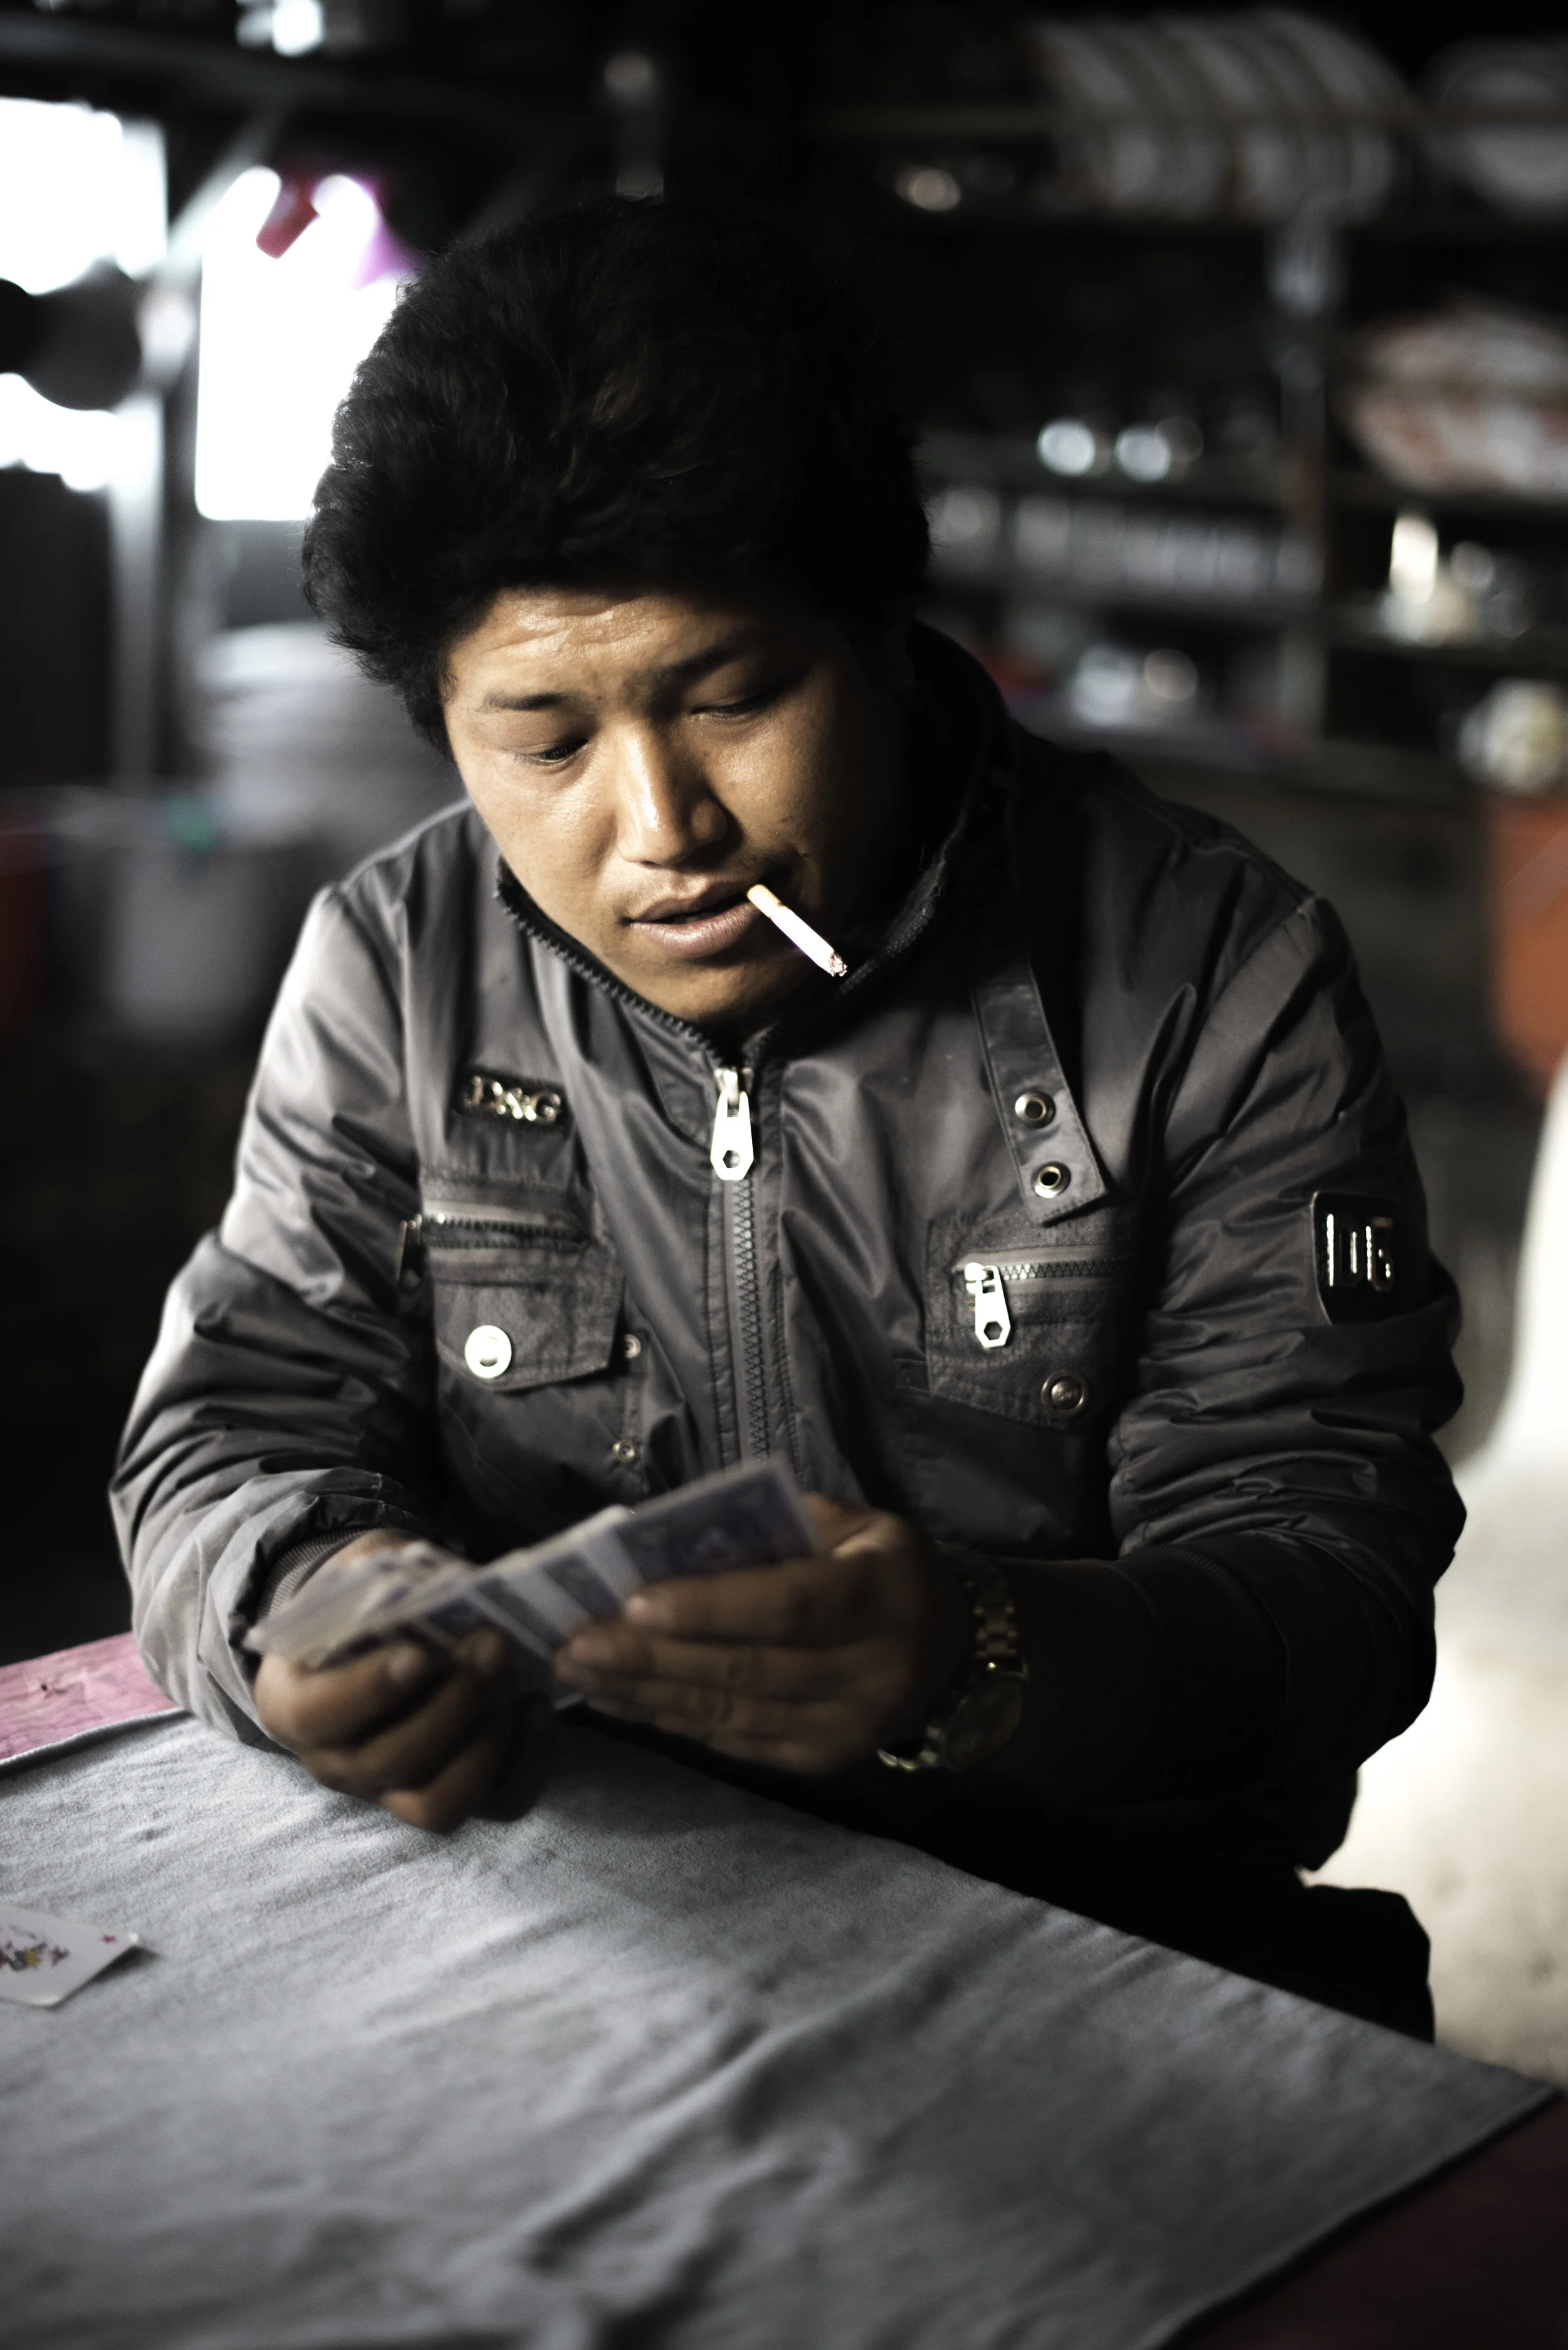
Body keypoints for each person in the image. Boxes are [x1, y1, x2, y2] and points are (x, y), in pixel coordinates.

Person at [114, 199, 1460, 2038]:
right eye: (544, 737)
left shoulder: (1207, 971)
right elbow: (232, 1424)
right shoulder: (400, 962)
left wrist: (981, 1652)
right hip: (585, 1904)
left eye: (732, 695)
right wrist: (313, 1604)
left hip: (1096, 1947)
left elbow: (1329, 1581)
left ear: (882, 627)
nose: (662, 825)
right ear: (441, 720)